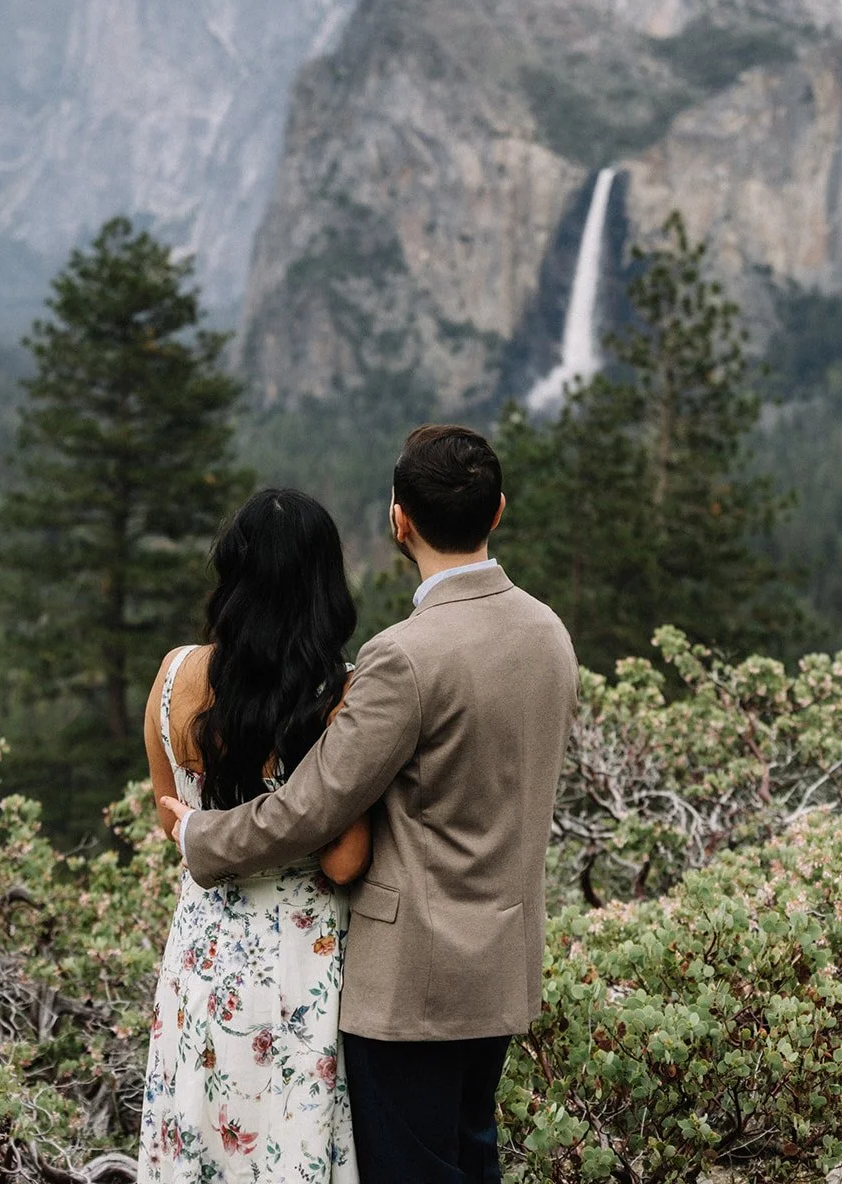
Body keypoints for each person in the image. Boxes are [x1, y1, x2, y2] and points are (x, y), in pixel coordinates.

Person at [165, 424, 579, 1184]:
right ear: (497, 512)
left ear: (399, 520)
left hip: (408, 980)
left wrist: (199, 836)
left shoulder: (403, 656)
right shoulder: (548, 634)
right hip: (502, 964)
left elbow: (309, 810)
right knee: (470, 1155)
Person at [138, 488, 370, 1183]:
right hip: (303, 965)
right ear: (323, 583)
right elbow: (345, 858)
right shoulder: (341, 695)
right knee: (288, 1145)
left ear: (231, 575)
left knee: (200, 1137)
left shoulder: (175, 674)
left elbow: (169, 819)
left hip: (202, 960)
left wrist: (208, 831)